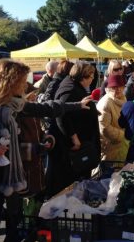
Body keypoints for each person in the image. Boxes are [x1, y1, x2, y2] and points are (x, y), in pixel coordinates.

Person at [0, 59, 91, 242]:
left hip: (11, 176)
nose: (25, 85)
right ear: (10, 81)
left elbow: (45, 108)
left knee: (12, 220)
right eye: (22, 81)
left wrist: (76, 105)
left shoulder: (16, 104)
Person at [52, 62, 100, 195]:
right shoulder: (69, 89)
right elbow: (61, 115)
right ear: (82, 77)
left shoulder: (73, 85)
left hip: (81, 142)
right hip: (75, 147)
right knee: (73, 183)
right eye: (90, 76)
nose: (92, 79)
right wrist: (74, 138)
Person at [97, 75, 128, 161]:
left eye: (120, 86)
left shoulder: (123, 98)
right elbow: (104, 128)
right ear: (108, 88)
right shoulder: (105, 103)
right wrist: (122, 135)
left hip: (121, 145)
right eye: (114, 87)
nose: (118, 89)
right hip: (109, 146)